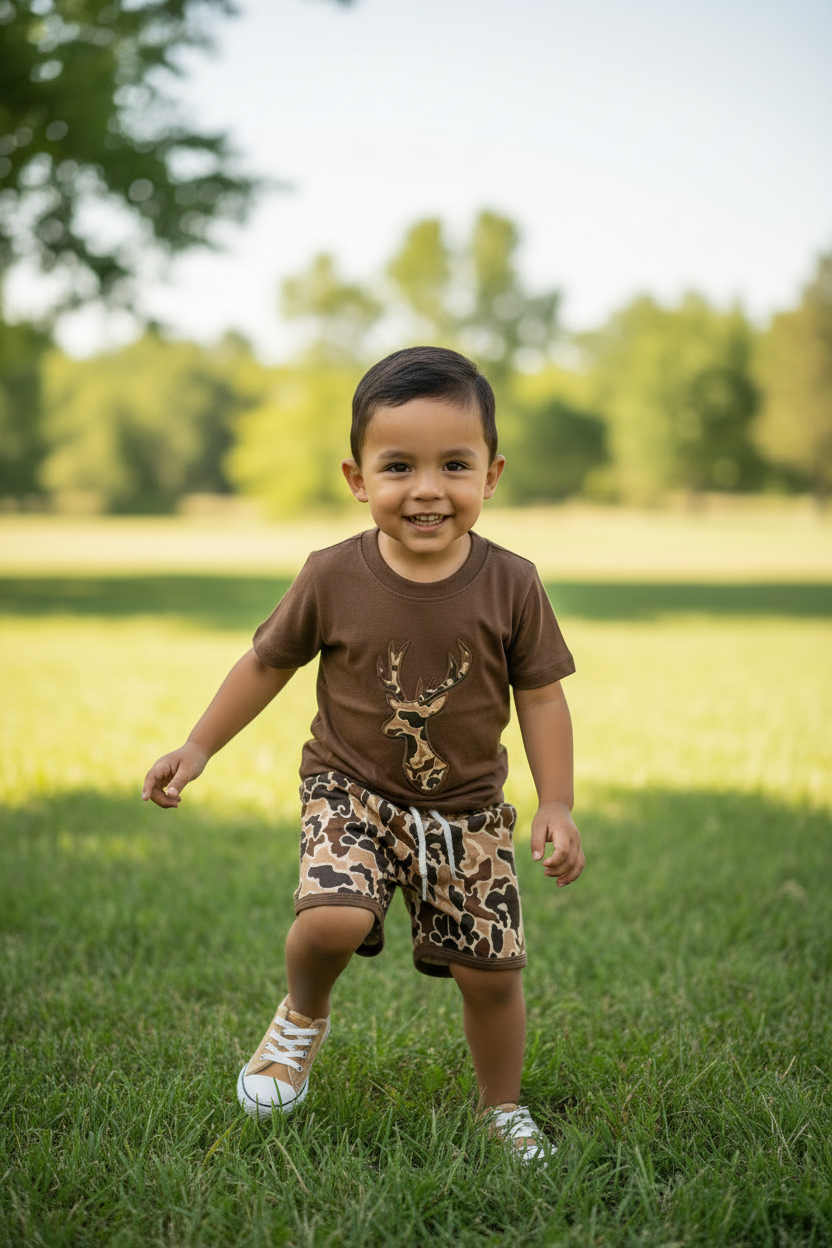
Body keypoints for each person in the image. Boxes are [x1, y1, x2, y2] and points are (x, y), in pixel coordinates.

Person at [142, 346, 584, 1163]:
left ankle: (502, 1108)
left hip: (469, 810)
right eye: (398, 466)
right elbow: (268, 663)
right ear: (357, 478)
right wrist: (199, 746)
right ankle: (301, 1018)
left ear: (491, 476)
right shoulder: (331, 575)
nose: (426, 489)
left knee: (492, 975)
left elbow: (544, 695)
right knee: (333, 921)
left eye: (454, 464)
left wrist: (554, 800)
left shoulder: (513, 583)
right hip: (350, 789)